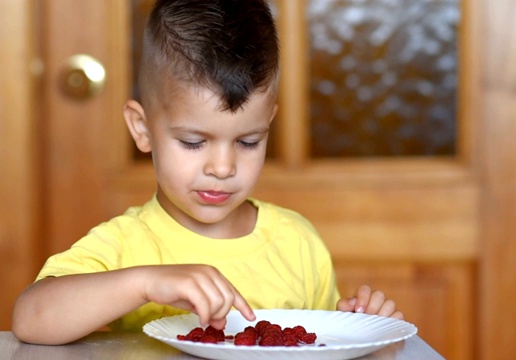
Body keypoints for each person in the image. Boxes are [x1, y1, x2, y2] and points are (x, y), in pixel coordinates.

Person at [12, 0, 402, 346]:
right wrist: (145, 283)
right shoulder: (127, 244)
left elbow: (320, 342)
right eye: (194, 143)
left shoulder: (297, 242)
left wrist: (364, 331)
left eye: (248, 142)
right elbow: (31, 319)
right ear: (142, 129)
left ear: (269, 123)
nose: (222, 167)